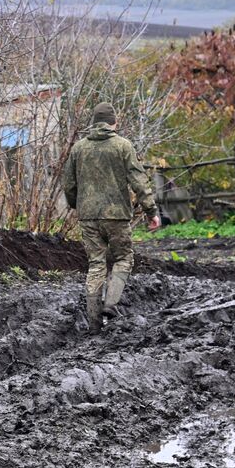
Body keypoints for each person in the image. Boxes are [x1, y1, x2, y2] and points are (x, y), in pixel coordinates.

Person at [62, 103, 161, 332]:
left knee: (96, 265)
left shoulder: (78, 148)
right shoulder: (123, 146)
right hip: (117, 216)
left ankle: (94, 326)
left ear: (94, 123)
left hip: (88, 217)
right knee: (124, 259)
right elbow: (139, 181)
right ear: (113, 122)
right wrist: (151, 212)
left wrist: (77, 204)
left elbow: (68, 184)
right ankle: (111, 304)